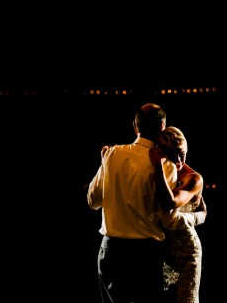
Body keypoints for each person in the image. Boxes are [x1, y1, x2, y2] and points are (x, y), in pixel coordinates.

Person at [86, 103, 195, 303]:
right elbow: (168, 214)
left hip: (111, 250)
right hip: (147, 254)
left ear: (135, 127)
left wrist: (104, 163)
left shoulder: (111, 155)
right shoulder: (167, 166)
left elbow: (93, 202)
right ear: (163, 126)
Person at [152, 126, 207, 303]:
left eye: (182, 154)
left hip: (187, 252)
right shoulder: (164, 171)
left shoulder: (193, 178)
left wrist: (200, 217)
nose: (178, 160)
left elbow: (170, 216)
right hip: (163, 252)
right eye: (172, 154)